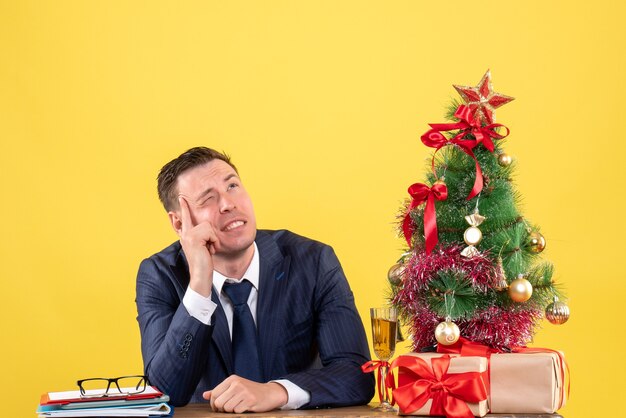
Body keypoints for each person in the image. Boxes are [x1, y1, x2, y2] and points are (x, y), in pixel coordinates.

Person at [135, 147, 374, 413]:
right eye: (208, 199)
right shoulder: (159, 275)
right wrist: (200, 283)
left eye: (233, 186)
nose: (228, 204)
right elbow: (165, 392)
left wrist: (277, 391)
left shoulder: (314, 261)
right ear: (179, 224)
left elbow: (357, 376)